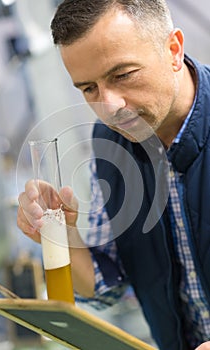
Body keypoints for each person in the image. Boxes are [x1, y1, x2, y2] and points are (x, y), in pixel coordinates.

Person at [17, 1, 210, 349]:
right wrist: (61, 238)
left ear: (173, 49)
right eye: (89, 89)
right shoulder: (110, 143)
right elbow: (108, 285)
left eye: (122, 75)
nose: (110, 106)